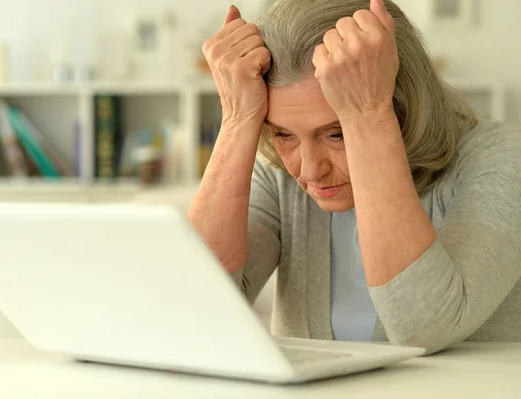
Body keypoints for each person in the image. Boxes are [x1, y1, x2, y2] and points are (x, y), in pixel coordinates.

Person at [187, 0, 521, 355]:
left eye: (336, 134)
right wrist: (238, 117)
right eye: (284, 134)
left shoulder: (501, 157)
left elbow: (425, 329)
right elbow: (194, 314)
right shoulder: (277, 171)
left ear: (405, 105)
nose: (309, 169)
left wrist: (367, 115)